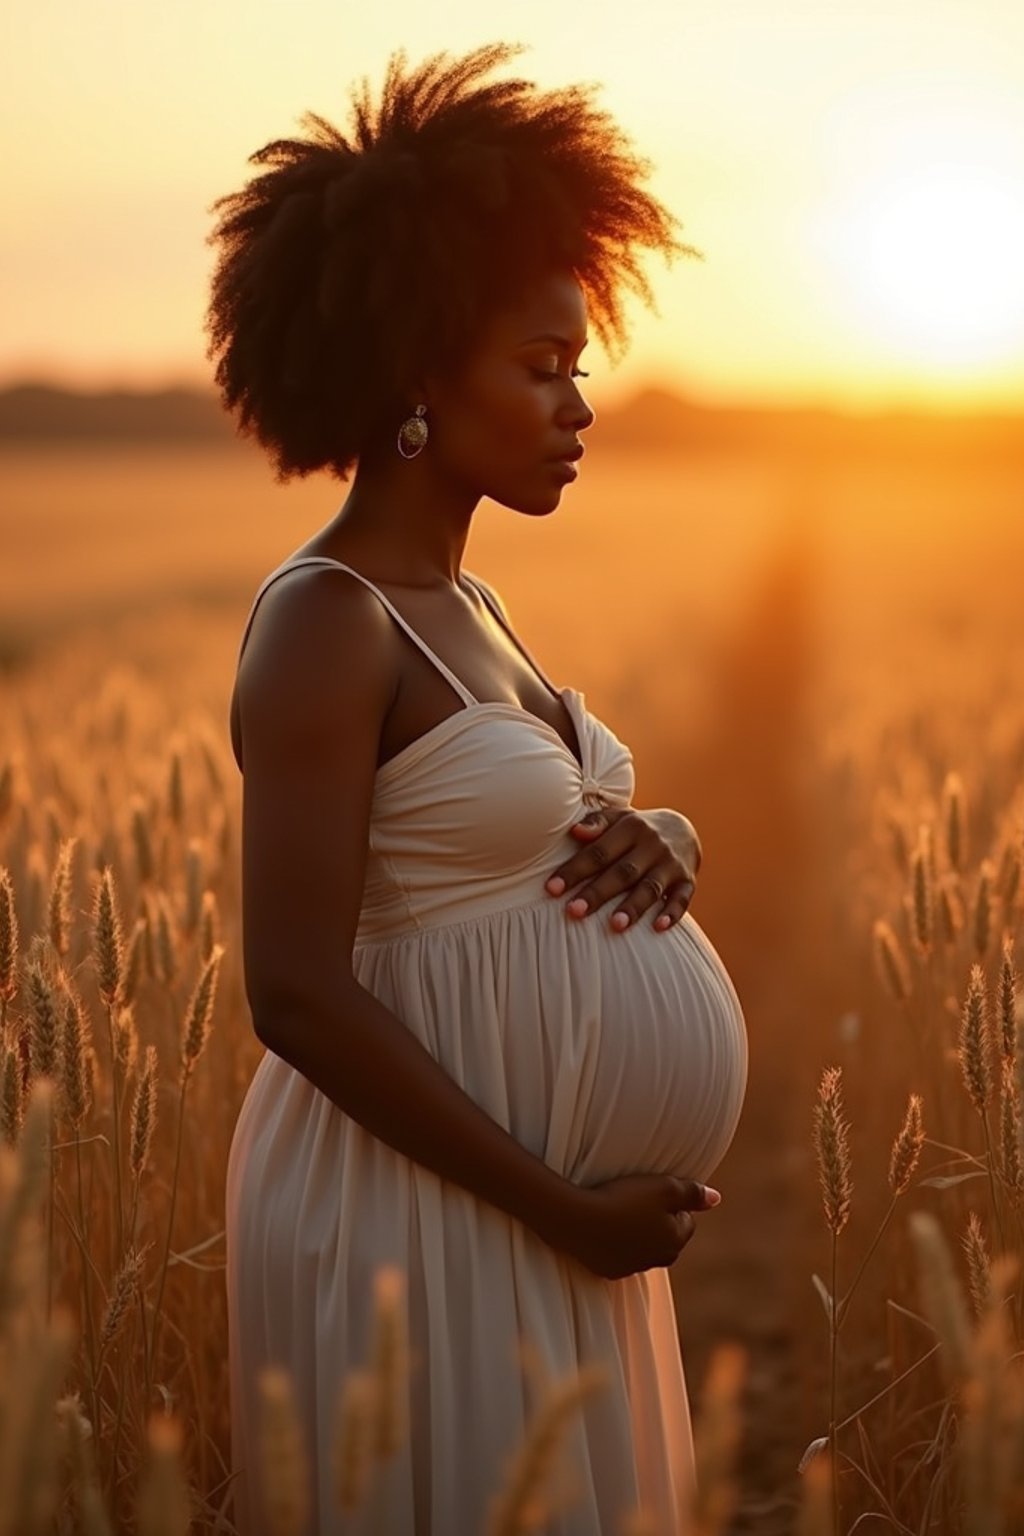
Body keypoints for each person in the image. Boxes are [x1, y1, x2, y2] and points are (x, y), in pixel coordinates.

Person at [207, 41, 748, 1535]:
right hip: (422, 1218)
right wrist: (558, 1209)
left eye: (580, 364)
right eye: (542, 366)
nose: (577, 403)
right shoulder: (327, 619)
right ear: (413, 378)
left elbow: (517, 841)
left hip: (524, 1213)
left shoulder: (471, 606)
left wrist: (666, 831)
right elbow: (296, 992)